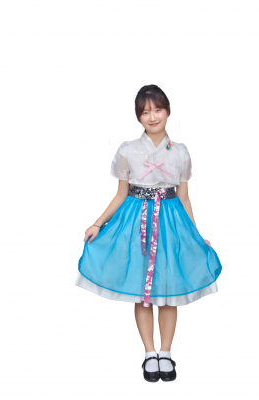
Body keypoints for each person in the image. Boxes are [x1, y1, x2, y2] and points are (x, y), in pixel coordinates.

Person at [75, 84, 222, 382]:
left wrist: (194, 235)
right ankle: (149, 353)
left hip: (170, 222)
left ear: (168, 111)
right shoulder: (127, 150)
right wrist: (98, 223)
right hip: (135, 221)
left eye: (158, 109)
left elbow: (184, 197)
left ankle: (166, 352)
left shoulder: (180, 152)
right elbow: (121, 194)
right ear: (138, 117)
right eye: (145, 112)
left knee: (168, 292)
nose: (152, 117)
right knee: (141, 292)